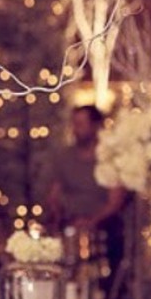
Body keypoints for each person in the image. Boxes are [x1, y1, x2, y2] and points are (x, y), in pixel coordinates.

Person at [47, 104, 126, 251]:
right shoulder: (64, 156)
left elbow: (115, 202)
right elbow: (54, 194)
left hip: (103, 226)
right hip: (70, 223)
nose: (75, 130)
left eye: (80, 124)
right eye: (74, 124)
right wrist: (57, 216)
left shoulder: (110, 157)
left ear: (96, 126)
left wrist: (90, 222)